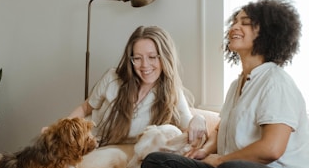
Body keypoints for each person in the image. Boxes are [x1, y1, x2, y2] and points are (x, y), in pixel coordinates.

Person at [141, 0, 309, 168]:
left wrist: (221, 160)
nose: (234, 26)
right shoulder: (238, 84)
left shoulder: (276, 81)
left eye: (245, 22)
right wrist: (205, 151)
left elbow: (272, 149)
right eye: (234, 21)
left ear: (267, 33)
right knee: (155, 162)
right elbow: (221, 128)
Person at [66, 25, 207, 146]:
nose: (145, 65)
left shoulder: (171, 92)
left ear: (165, 57)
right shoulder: (112, 78)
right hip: (87, 145)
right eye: (137, 58)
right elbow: (85, 108)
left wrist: (199, 119)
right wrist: (62, 128)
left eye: (152, 57)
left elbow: (189, 126)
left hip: (120, 157)